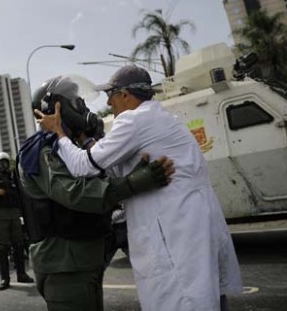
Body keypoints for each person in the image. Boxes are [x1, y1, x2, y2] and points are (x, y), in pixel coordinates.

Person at [36, 66, 242, 311]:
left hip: (173, 229)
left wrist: (58, 133)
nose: (109, 102)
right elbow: (112, 166)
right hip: (188, 223)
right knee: (202, 295)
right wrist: (89, 141)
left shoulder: (133, 120)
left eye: (111, 94)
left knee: (184, 298)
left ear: (125, 94)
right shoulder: (158, 118)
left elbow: (83, 166)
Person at [18, 75, 175, 311]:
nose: (81, 105)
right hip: (63, 265)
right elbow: (76, 194)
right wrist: (134, 183)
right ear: (52, 107)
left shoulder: (71, 147)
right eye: (75, 101)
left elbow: (101, 171)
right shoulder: (43, 150)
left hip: (84, 258)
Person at [0, 153, 34, 290]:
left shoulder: (13, 179)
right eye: (1, 163)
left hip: (14, 214)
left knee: (19, 244)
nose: (4, 165)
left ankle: (21, 274)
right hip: (0, 214)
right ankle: (5, 278)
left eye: (6, 162)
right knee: (2, 247)